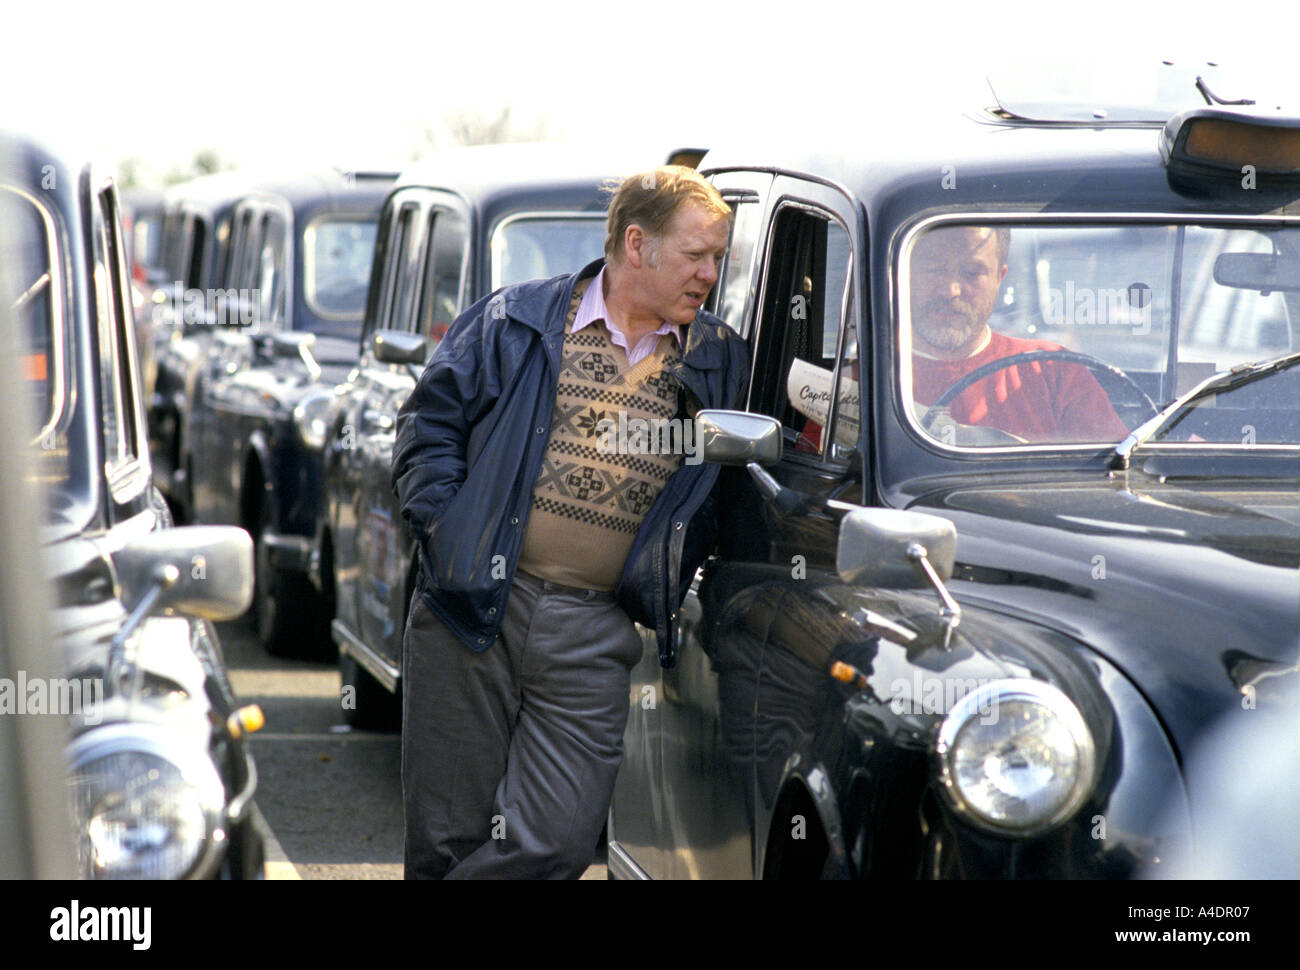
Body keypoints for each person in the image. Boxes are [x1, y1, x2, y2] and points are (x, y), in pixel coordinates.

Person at [390, 166, 748, 879]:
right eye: (696, 255)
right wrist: (447, 532)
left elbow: (737, 476)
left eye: (717, 257)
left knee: (558, 840)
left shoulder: (716, 360)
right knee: (446, 840)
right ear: (638, 245)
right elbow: (427, 429)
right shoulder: (513, 318)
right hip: (472, 607)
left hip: (595, 628)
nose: (710, 273)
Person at [908, 225, 1129, 442]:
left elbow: (1114, 469)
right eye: (934, 270)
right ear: (903, 272)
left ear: (999, 279)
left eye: (972, 273)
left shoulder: (1052, 368)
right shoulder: (876, 375)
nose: (951, 290)